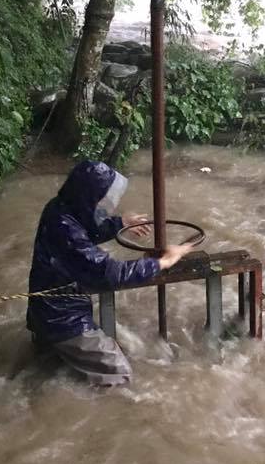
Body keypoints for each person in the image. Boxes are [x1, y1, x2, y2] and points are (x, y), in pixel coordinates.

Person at [26, 160, 192, 386]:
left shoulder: (59, 209)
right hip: (63, 319)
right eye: (100, 199)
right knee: (118, 374)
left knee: (46, 370)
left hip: (45, 311)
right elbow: (110, 274)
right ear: (87, 196)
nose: (103, 205)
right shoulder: (66, 230)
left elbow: (87, 228)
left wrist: (119, 223)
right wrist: (163, 262)